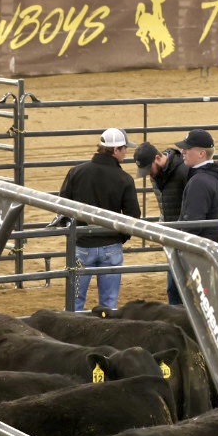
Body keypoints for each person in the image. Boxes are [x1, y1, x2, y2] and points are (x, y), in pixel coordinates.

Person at [58, 127, 140, 311]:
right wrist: (119, 237)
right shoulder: (124, 179)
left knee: (75, 301)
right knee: (109, 304)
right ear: (116, 150)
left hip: (81, 245)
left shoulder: (76, 172)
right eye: (125, 149)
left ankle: (72, 334)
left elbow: (62, 208)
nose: (126, 153)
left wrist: (74, 236)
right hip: (111, 246)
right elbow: (133, 216)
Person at [133, 139, 191, 304]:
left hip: (187, 237)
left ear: (157, 158)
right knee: (174, 288)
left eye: (148, 169)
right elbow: (164, 205)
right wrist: (163, 227)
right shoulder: (157, 176)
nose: (148, 174)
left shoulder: (183, 172)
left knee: (185, 287)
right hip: (173, 238)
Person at [176, 128, 218, 247]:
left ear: (201, 153)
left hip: (199, 249)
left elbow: (192, 225)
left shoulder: (199, 182)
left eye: (187, 148)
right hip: (216, 247)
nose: (183, 151)